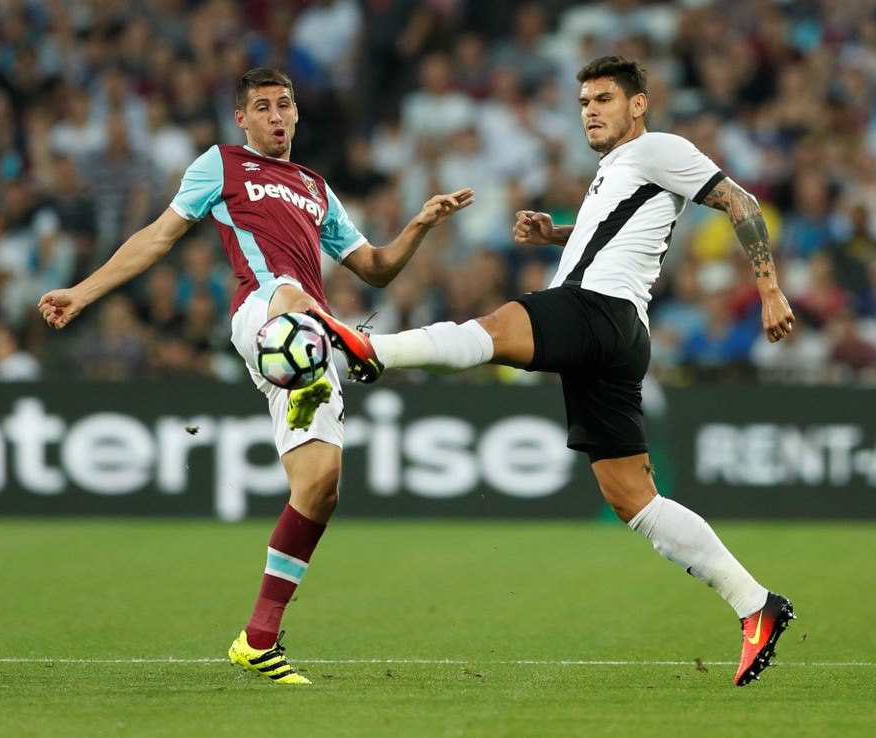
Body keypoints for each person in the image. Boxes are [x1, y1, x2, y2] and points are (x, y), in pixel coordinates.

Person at [309, 56, 797, 687]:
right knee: (634, 500)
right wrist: (557, 235)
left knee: (493, 331)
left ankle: (376, 351)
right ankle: (756, 604)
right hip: (619, 332)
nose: (590, 111)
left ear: (638, 104)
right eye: (584, 102)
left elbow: (741, 201)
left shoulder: (659, 149)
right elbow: (617, 233)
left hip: (598, 309)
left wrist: (769, 290)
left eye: (603, 99)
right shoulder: (617, 169)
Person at [38, 68, 473, 685]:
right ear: (241, 118)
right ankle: (353, 340)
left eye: (284, 105)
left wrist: (420, 225)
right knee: (292, 291)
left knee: (319, 487)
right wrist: (82, 293)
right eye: (262, 106)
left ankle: (258, 639)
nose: (275, 115)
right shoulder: (221, 164)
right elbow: (158, 237)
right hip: (263, 316)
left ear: (296, 115)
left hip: (303, 351)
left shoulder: (316, 188)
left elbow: (375, 268)